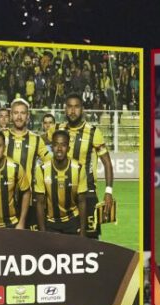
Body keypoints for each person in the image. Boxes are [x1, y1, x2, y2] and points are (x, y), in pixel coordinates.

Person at [58, 93, 114, 239]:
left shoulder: (93, 132)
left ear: (82, 109)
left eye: (76, 107)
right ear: (65, 109)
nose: (72, 110)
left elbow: (107, 163)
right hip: (62, 194)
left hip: (88, 194)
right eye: (69, 107)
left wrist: (108, 192)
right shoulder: (58, 129)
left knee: (91, 241)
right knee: (63, 241)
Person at [5, 98, 51, 230]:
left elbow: (50, 164)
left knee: (30, 245)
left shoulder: (36, 140)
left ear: (28, 116)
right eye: (16, 113)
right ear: (11, 116)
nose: (19, 117)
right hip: (5, 200)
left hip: (29, 200)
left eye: (23, 113)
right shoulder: (1, 137)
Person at [34, 130, 88, 236]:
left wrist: (83, 230)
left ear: (68, 148)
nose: (59, 149)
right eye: (55, 145)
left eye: (63, 145)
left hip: (72, 221)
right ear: (51, 147)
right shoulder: (42, 169)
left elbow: (82, 201)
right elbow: (40, 203)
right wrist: (42, 232)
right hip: (51, 223)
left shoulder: (78, 168)